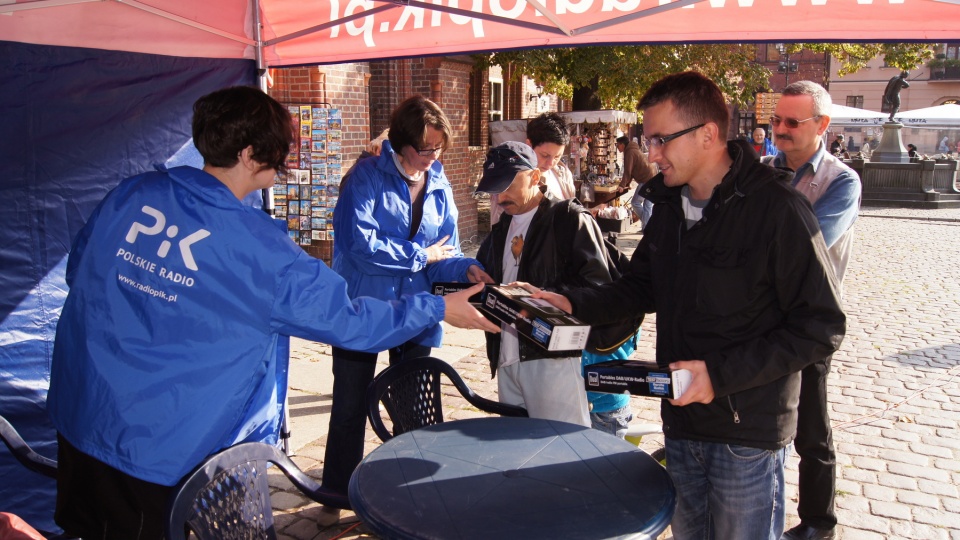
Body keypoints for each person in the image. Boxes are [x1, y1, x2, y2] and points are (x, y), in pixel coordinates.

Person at [45, 86, 498, 540]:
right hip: (163, 449)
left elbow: (79, 271)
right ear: (249, 154)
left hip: (84, 415)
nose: (286, 161)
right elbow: (350, 320)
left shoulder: (134, 193)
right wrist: (436, 306)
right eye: (281, 149)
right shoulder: (259, 248)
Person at [530, 71, 846, 540]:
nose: (651, 153)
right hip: (680, 421)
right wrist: (568, 302)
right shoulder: (670, 207)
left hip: (747, 435)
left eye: (660, 139)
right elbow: (638, 289)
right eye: (647, 138)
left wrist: (718, 376)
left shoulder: (777, 210)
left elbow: (821, 327)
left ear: (708, 135)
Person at [319, 95, 495, 526]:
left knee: (415, 406)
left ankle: (406, 494)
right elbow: (361, 247)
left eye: (439, 149)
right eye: (426, 149)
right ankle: (337, 493)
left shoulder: (438, 181)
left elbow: (446, 251)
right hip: (364, 309)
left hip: (419, 309)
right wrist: (422, 257)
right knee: (349, 406)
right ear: (401, 144)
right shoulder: (363, 177)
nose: (434, 158)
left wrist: (465, 266)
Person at [764, 80, 861, 540]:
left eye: (791, 123)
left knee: (812, 430)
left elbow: (809, 243)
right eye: (776, 121)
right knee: (762, 424)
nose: (780, 130)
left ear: (822, 125)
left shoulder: (841, 180)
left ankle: (819, 524)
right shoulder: (764, 169)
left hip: (807, 324)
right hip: (760, 318)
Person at [476, 141, 621, 427]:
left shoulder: (569, 219)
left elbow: (601, 288)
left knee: (562, 447)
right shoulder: (500, 228)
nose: (500, 196)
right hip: (506, 354)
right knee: (518, 452)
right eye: (495, 188)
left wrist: (544, 297)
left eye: (506, 185)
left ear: (535, 177)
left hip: (553, 358)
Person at [489, 112, 577, 226]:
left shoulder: (563, 174)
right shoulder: (510, 180)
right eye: (545, 155)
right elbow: (499, 228)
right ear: (528, 145)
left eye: (557, 156)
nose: (551, 163)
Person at [615, 135, 658, 230]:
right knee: (647, 206)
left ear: (622, 144)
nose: (617, 147)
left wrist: (622, 185)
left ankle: (648, 226)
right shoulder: (633, 150)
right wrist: (628, 183)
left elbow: (627, 171)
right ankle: (648, 228)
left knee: (635, 203)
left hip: (647, 179)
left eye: (617, 145)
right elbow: (631, 171)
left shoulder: (629, 152)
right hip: (652, 177)